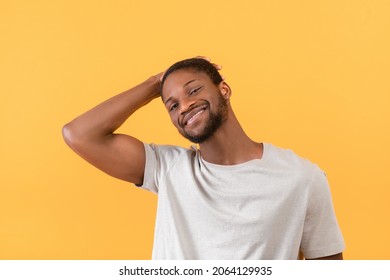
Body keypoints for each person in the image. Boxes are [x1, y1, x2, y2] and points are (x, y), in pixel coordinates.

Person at [62, 57, 345, 260]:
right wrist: (154, 84)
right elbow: (79, 134)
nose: (184, 105)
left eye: (194, 90)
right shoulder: (168, 168)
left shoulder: (302, 178)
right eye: (172, 105)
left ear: (224, 89)